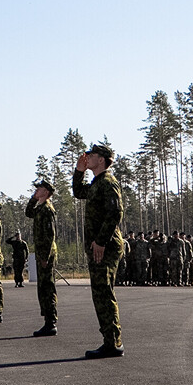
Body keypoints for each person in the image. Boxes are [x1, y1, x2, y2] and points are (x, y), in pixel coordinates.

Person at [73, 142, 125, 358]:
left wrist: (101, 241)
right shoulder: (97, 183)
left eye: (91, 154)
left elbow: (115, 213)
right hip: (99, 246)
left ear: (101, 159)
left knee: (104, 293)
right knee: (100, 294)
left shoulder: (108, 182)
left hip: (106, 246)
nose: (88, 156)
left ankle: (113, 342)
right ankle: (110, 340)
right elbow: (78, 192)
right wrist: (79, 171)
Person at [25, 178, 58, 337]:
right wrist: (33, 199)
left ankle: (51, 322)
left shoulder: (47, 209)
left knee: (47, 287)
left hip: (46, 253)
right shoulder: (40, 208)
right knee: (43, 287)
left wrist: (45, 256)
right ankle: (48, 321)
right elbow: (28, 212)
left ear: (46, 192)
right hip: (42, 253)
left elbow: (50, 235)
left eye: (39, 189)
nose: (36, 191)